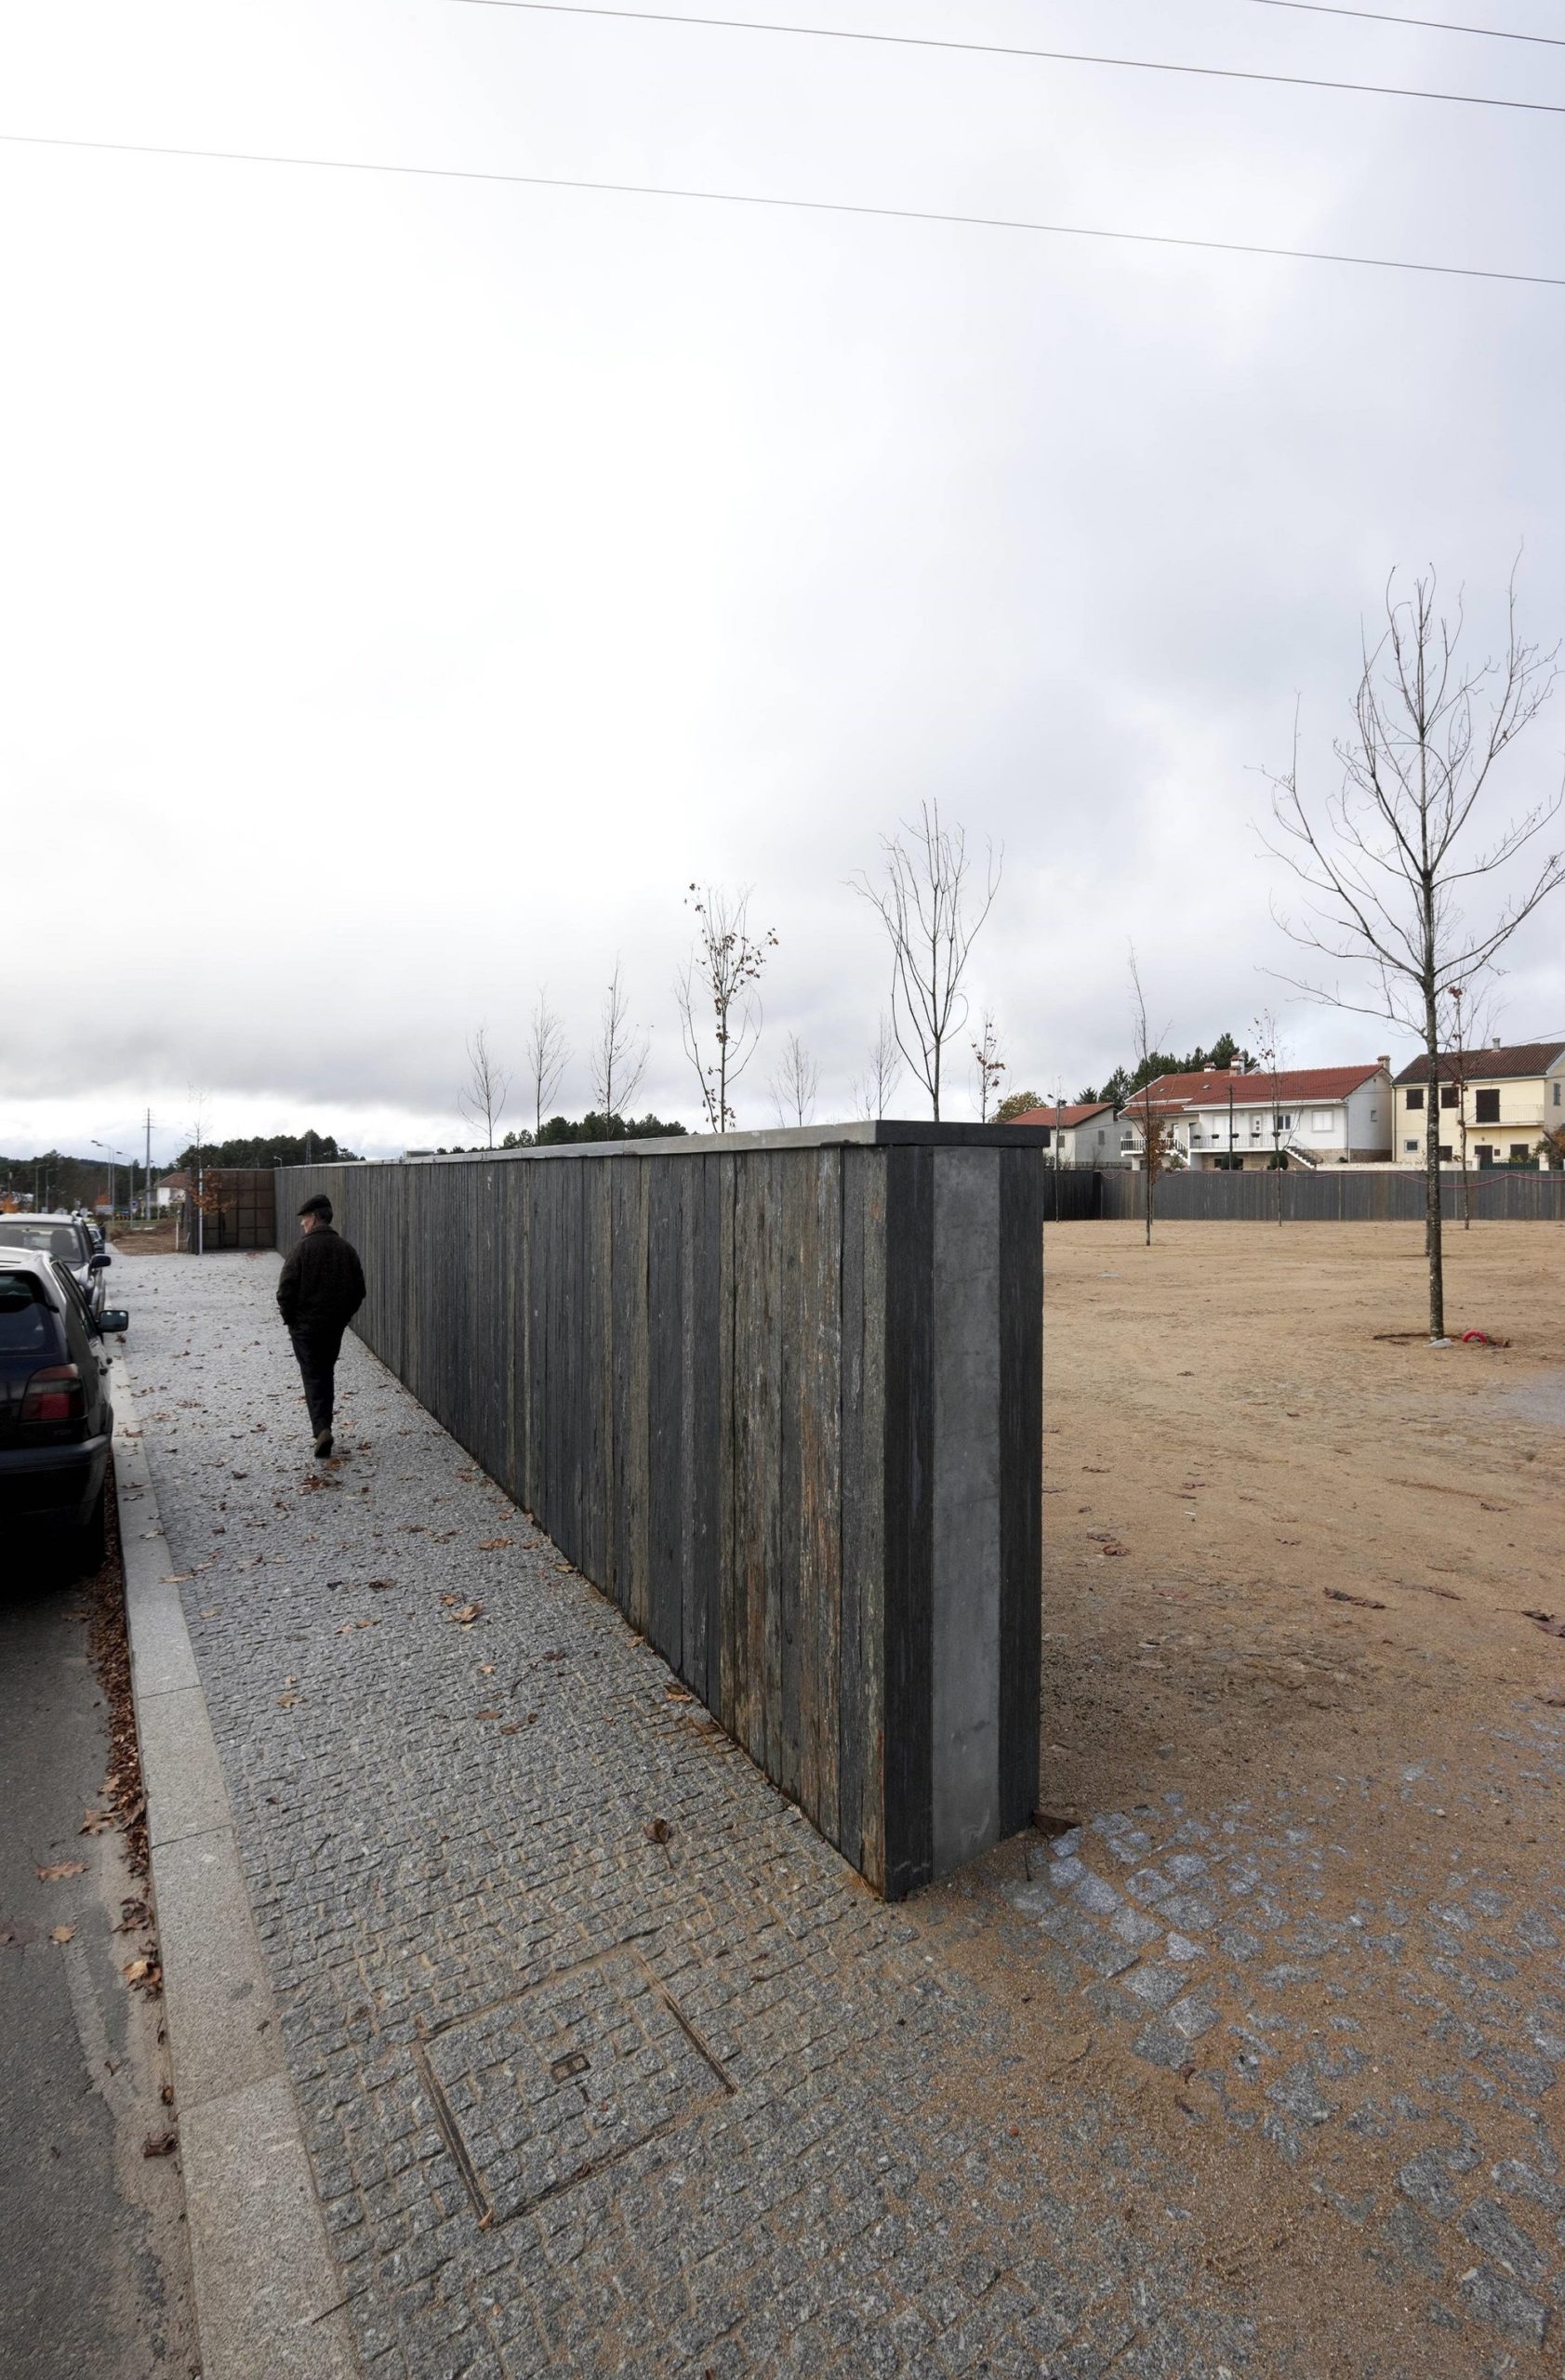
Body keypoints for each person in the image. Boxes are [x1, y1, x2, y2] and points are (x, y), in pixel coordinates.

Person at [276, 1194, 366, 1459]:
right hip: (333, 1327)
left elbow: (285, 1290)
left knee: (313, 1375)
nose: (302, 1224)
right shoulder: (346, 1249)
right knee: (325, 1372)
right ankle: (324, 1425)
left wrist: (292, 1321)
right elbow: (358, 1291)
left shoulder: (301, 1249)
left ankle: (322, 1429)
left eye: (304, 1219)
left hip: (305, 1328)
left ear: (314, 1219)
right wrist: (343, 1317)